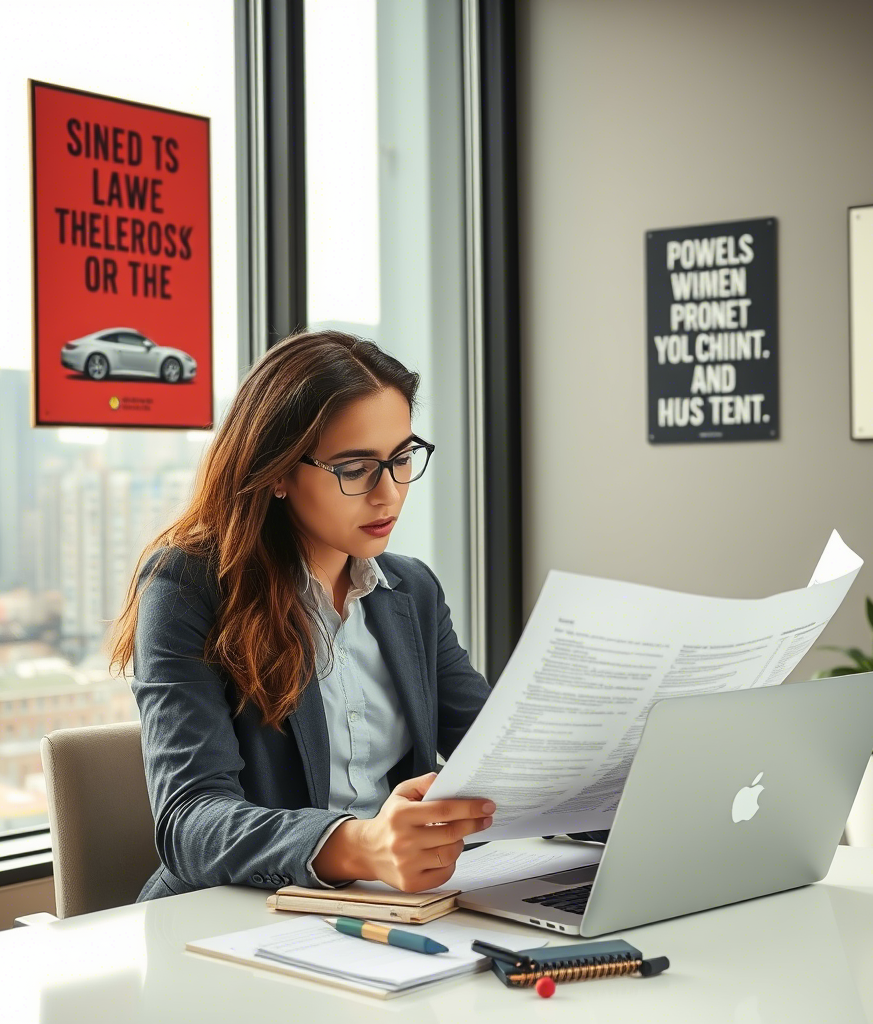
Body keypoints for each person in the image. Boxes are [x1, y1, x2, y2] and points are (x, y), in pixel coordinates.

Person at [108, 329, 607, 901]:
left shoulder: (410, 590)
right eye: (355, 468)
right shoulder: (187, 586)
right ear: (276, 472)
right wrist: (362, 844)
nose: (389, 493)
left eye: (401, 459)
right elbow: (190, 824)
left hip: (399, 908)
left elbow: (499, 754)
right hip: (233, 914)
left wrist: (619, 799)